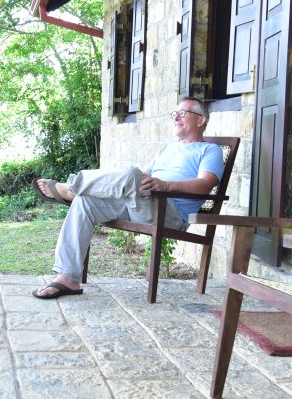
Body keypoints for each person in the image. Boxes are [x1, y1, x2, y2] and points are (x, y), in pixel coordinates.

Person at [32, 97, 224, 299]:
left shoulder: (210, 150)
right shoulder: (169, 147)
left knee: (130, 175)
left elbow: (205, 185)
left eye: (183, 113)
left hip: (170, 212)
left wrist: (166, 185)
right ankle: (68, 278)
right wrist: (133, 181)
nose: (176, 117)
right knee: (86, 202)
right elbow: (143, 174)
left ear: (201, 120)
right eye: (174, 113)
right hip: (144, 203)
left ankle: (71, 188)